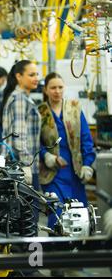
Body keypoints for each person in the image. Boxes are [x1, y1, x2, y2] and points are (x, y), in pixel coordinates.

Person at [38, 72, 96, 229]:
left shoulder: (75, 108)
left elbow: (86, 138)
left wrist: (88, 164)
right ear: (46, 90)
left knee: (80, 219)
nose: (57, 91)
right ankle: (56, 250)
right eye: (53, 88)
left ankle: (79, 252)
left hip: (75, 172)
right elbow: (35, 142)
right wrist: (46, 155)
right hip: (52, 174)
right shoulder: (40, 112)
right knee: (57, 217)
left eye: (60, 87)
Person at [0, 60, 41, 190]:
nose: (36, 78)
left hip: (21, 164)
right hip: (21, 165)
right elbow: (19, 135)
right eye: (31, 75)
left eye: (37, 74)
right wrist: (26, 164)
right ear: (19, 76)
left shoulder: (23, 97)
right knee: (29, 208)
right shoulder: (19, 99)